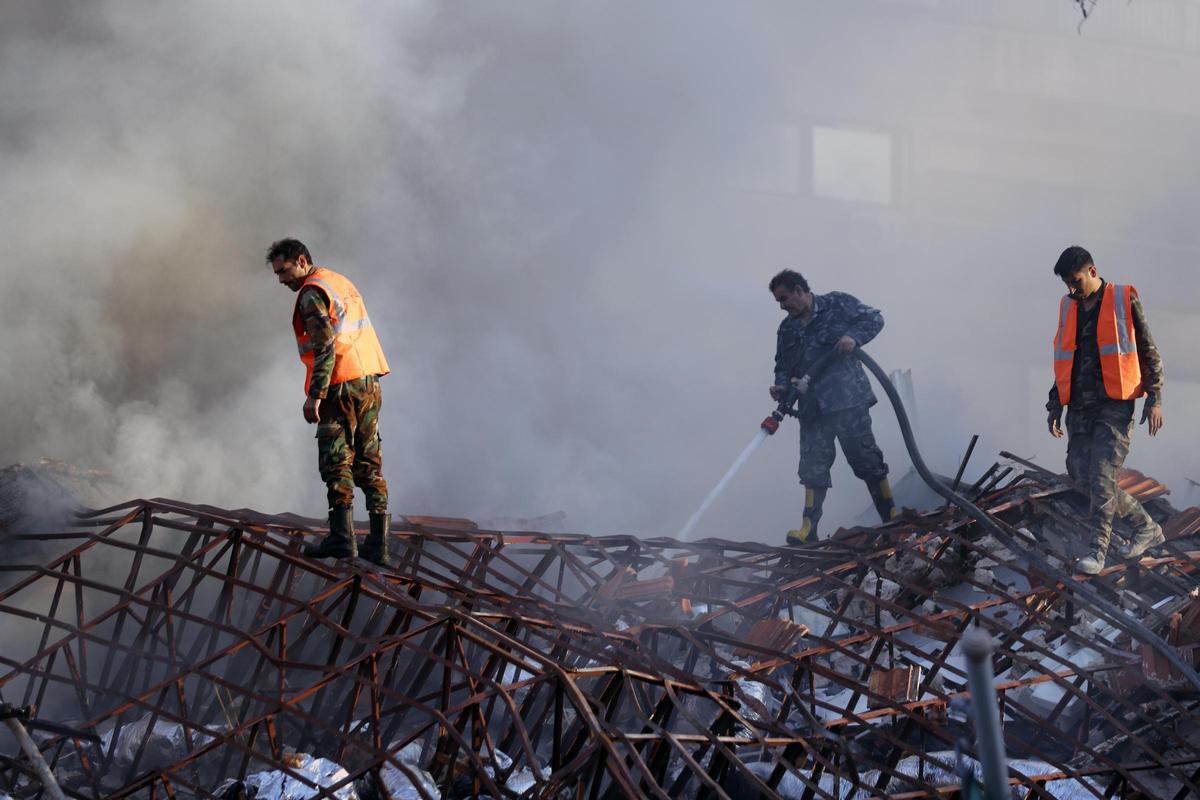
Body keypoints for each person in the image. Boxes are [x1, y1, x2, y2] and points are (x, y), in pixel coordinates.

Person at [267, 238, 392, 566]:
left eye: (285, 270)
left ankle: (342, 538)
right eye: (278, 274)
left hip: (340, 385)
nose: (283, 280)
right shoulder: (339, 282)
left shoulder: (311, 293)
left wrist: (315, 395)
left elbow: (324, 347)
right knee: (369, 460)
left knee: (336, 460)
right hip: (368, 380)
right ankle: (379, 544)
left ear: (302, 261)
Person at [1046, 246, 1165, 575]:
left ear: (1092, 271)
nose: (1072, 289)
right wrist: (1055, 404)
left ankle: (1097, 552)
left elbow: (1148, 349)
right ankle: (1146, 527)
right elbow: (1063, 358)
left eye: (1076, 281)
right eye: (1067, 284)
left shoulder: (1123, 299)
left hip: (1115, 404)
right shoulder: (1069, 307)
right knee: (1081, 473)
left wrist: (1155, 397)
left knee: (1101, 474)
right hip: (1080, 408)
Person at [769, 269, 897, 543]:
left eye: (785, 298)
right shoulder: (787, 328)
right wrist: (780, 386)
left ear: (800, 290)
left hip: (847, 400)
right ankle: (808, 529)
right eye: (778, 302)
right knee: (813, 468)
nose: (782, 306)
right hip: (812, 409)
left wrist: (854, 337)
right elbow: (782, 364)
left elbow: (874, 318)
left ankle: (891, 515)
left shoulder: (837, 304)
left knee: (866, 459)